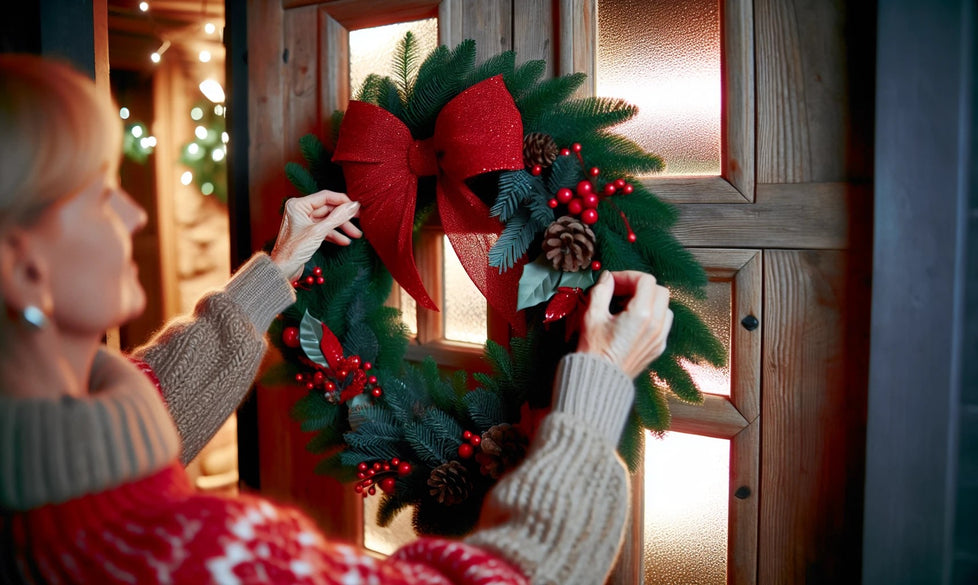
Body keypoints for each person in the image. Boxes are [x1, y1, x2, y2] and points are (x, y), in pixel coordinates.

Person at [0, 55, 673, 585]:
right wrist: (595, 392)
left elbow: (143, 407)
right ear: (20, 263)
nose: (132, 214)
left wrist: (276, 269)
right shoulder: (185, 557)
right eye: (97, 194)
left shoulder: (40, 477)